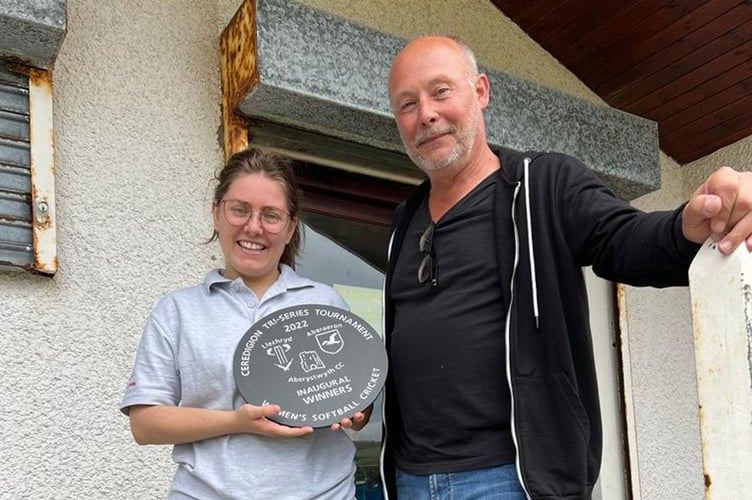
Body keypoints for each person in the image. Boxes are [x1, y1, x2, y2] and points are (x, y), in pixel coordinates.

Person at [379, 35, 752, 500]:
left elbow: (627, 241)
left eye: (440, 91)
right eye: (407, 104)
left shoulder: (543, 185)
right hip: (411, 478)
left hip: (514, 479)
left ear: (480, 91)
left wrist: (692, 223)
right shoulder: (404, 221)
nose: (426, 115)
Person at [120, 149, 370, 499]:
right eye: (239, 209)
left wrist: (356, 411)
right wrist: (235, 422)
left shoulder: (324, 302)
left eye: (271, 215)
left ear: (291, 227)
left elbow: (356, 394)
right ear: (217, 213)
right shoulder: (177, 311)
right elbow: (144, 424)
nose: (254, 227)